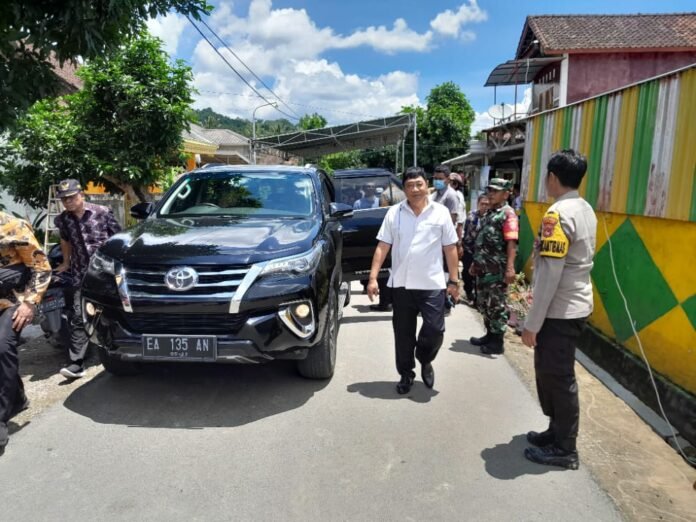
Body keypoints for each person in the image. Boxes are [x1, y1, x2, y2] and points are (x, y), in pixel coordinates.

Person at [521, 150, 596, 470]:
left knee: (559, 376)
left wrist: (532, 323)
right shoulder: (585, 208)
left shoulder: (557, 214)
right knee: (552, 374)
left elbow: (551, 274)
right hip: (572, 305)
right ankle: (556, 432)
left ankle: (566, 448)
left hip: (560, 310)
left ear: (552, 177)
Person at [366, 167, 459, 394]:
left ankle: (425, 358)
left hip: (432, 284)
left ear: (426, 185)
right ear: (404, 189)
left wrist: (454, 281)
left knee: (435, 329)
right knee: (403, 334)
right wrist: (372, 278)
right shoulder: (394, 213)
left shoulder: (440, 213)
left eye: (419, 184)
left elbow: (450, 248)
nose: (415, 189)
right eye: (409, 186)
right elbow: (383, 246)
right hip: (402, 285)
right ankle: (406, 374)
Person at [54, 179, 121, 379]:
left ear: (82, 195)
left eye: (72, 197)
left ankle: (118, 352)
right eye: (65, 199)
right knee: (78, 315)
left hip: (105, 272)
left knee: (112, 310)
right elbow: (65, 241)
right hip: (80, 272)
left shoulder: (102, 212)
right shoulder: (63, 220)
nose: (68, 202)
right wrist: (66, 262)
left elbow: (118, 237)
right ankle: (76, 363)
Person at [0, 212, 51, 456]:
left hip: (14, 302)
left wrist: (30, 303)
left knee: (2, 348)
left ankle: (1, 417)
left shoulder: (14, 226)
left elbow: (40, 266)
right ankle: (17, 398)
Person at [468, 178, 518, 355]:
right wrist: (475, 262)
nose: (491, 193)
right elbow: (482, 240)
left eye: (495, 191)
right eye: (490, 190)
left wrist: (510, 269)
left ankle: (497, 342)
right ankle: (489, 334)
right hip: (483, 268)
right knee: (484, 303)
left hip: (497, 270)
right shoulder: (490, 212)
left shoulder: (508, 214)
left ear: (506, 194)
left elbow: (511, 243)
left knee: (497, 305)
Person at [462, 194, 490, 304]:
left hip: (484, 252)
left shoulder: (491, 217)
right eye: (482, 204)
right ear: (478, 204)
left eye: (487, 204)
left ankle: (479, 299)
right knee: (467, 273)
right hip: (469, 250)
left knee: (480, 275)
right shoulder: (471, 216)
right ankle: (469, 293)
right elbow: (466, 232)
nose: (484, 206)